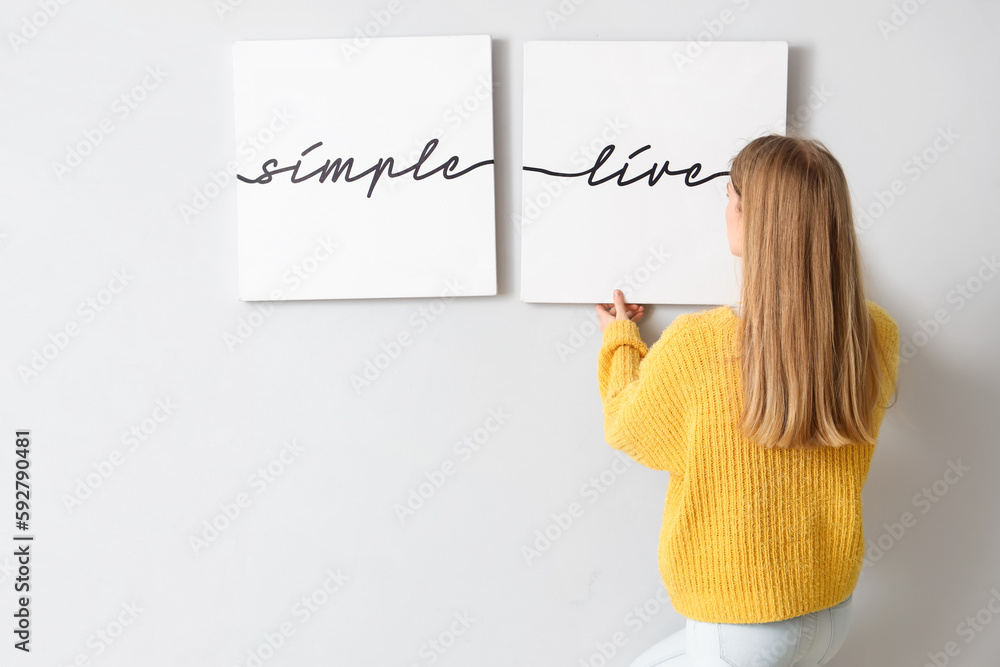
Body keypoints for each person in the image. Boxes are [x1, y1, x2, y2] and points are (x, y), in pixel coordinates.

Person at [594, 134, 900, 667]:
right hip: (827, 611)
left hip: (743, 622)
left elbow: (629, 425)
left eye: (729, 195)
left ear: (749, 215)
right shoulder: (872, 334)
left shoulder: (701, 344)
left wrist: (620, 341)